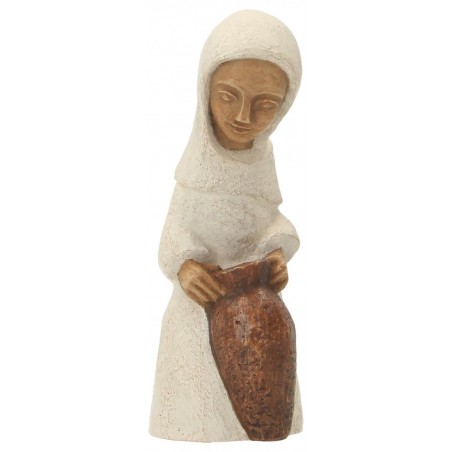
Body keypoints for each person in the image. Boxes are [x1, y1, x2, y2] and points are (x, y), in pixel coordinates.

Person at [150, 10, 303, 442]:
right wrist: (185, 268)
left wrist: (276, 252)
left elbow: (271, 221)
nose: (243, 116)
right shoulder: (195, 170)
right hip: (200, 307)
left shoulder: (262, 162)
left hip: (258, 311)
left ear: (284, 106)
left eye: (265, 104)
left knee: (266, 397)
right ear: (205, 91)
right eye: (227, 96)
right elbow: (175, 228)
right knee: (197, 406)